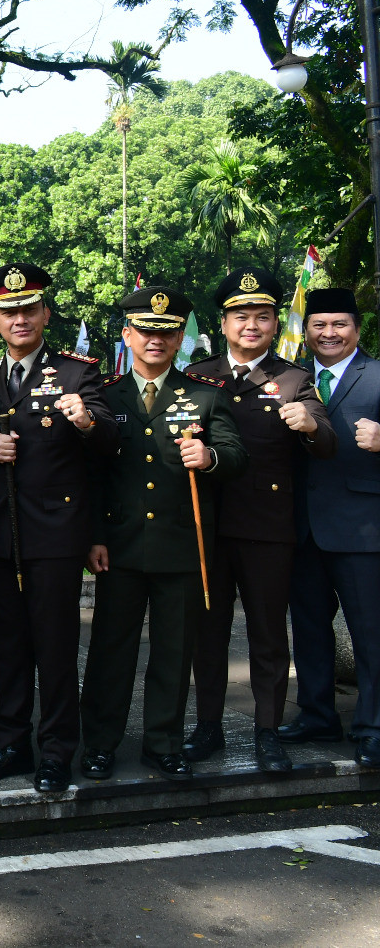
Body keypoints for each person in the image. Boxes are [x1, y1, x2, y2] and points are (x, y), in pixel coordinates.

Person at [0, 262, 116, 794]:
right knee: (8, 649)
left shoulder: (77, 374)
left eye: (29, 308)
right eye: (9, 311)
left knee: (54, 647)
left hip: (55, 534)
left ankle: (55, 752)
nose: (20, 318)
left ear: (46, 313)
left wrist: (88, 420)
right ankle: (9, 746)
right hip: (0, 536)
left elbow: (108, 449)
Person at [79, 286, 246, 782]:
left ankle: (163, 743)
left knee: (174, 652)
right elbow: (89, 477)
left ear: (180, 340)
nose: (156, 340)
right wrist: (92, 536)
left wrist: (210, 457)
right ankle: (101, 745)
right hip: (120, 546)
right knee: (110, 652)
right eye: (146, 331)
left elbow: (236, 455)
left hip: (183, 546)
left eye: (167, 332)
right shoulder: (105, 396)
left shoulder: (205, 395)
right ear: (128, 335)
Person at [182, 270, 334, 773]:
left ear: (275, 324)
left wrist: (310, 425)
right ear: (223, 322)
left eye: (263, 316)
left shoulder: (293, 378)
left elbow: (326, 439)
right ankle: (207, 727)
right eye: (241, 316)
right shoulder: (198, 376)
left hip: (268, 527)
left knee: (270, 635)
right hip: (206, 527)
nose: (252, 325)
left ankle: (268, 731)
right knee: (208, 632)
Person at [281, 287, 380, 770]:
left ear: (356, 328)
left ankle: (373, 726)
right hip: (303, 528)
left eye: (339, 324)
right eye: (319, 325)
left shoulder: (379, 375)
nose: (329, 334)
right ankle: (317, 713)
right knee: (310, 629)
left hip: (364, 528)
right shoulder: (289, 379)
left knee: (371, 632)